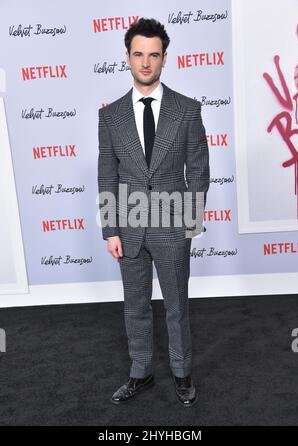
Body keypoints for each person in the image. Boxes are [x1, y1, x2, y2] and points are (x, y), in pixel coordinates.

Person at [98, 17, 210, 407]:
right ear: (127, 57)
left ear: (164, 58)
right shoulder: (110, 115)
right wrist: (110, 229)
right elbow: (107, 174)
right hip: (127, 228)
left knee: (177, 307)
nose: (145, 63)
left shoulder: (187, 110)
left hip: (171, 225)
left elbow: (198, 170)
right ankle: (140, 372)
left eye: (154, 55)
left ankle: (182, 374)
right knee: (135, 307)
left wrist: (190, 222)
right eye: (138, 54)